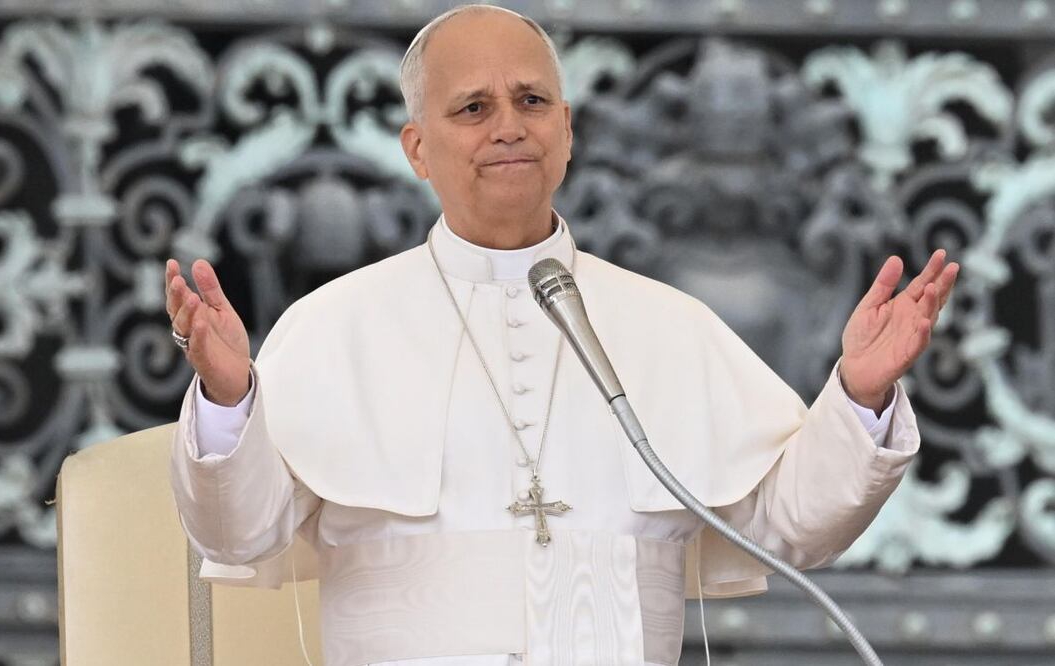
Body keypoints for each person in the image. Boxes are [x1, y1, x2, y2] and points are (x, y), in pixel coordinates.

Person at [164, 5, 958, 666]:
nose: (508, 126)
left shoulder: (666, 325)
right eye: (473, 108)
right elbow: (241, 534)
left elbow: (792, 525)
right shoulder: (333, 326)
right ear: (416, 149)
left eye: (531, 102)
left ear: (567, 131)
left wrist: (859, 393)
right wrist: (232, 402)